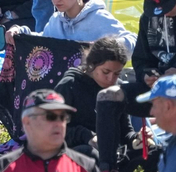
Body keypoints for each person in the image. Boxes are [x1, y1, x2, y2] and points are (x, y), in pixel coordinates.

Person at [52, 35, 130, 163]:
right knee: (91, 155)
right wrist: (87, 136)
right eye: (106, 72)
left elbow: (126, 132)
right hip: (74, 151)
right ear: (92, 65)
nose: (111, 79)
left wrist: (136, 139)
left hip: (113, 153)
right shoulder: (69, 86)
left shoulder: (117, 89)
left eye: (117, 74)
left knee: (155, 153)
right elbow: (51, 131)